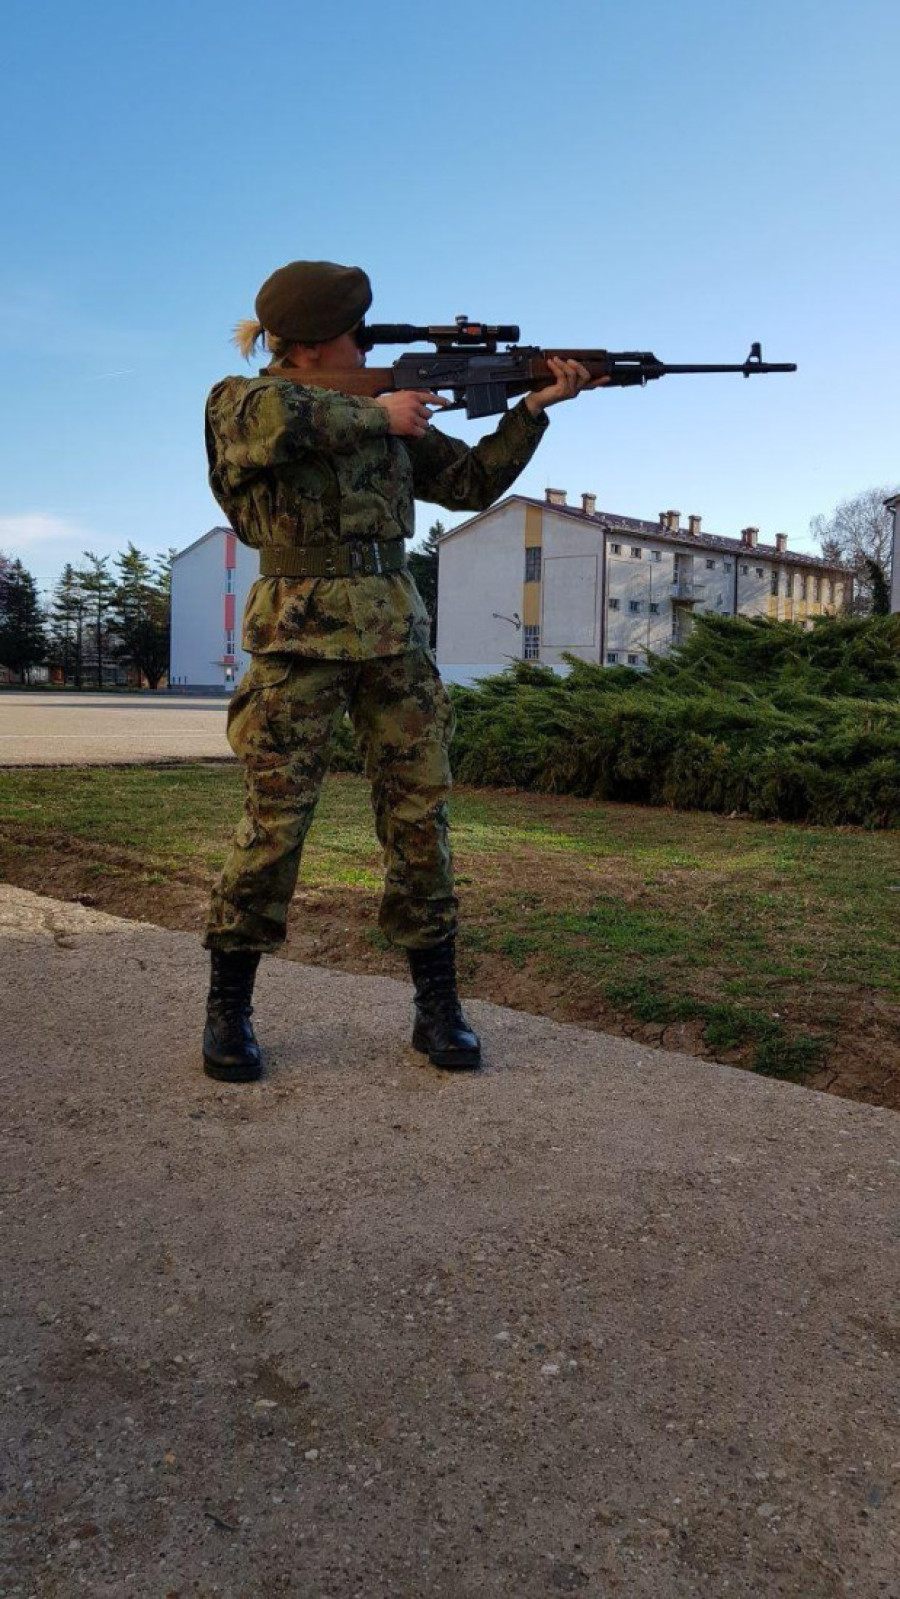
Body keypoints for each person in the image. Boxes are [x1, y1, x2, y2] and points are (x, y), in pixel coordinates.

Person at [201, 259, 600, 1082]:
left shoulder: (390, 416)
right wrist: (378, 413)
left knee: (421, 822)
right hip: (296, 642)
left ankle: (438, 1007)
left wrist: (531, 407)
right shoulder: (243, 402)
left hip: (392, 639)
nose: (364, 336)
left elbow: (471, 480)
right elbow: (275, 422)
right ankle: (228, 1010)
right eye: (353, 326)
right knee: (273, 827)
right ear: (310, 345)